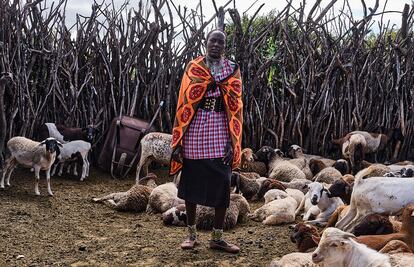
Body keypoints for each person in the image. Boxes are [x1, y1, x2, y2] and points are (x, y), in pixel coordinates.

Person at [169, 29, 243, 254]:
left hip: (221, 128)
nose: (216, 45)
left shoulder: (232, 70)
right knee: (191, 185)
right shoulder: (195, 67)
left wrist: (233, 142)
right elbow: (184, 102)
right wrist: (179, 141)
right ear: (206, 42)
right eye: (213, 40)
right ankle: (191, 235)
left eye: (221, 42)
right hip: (195, 129)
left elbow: (236, 106)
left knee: (222, 182)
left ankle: (217, 238)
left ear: (225, 45)